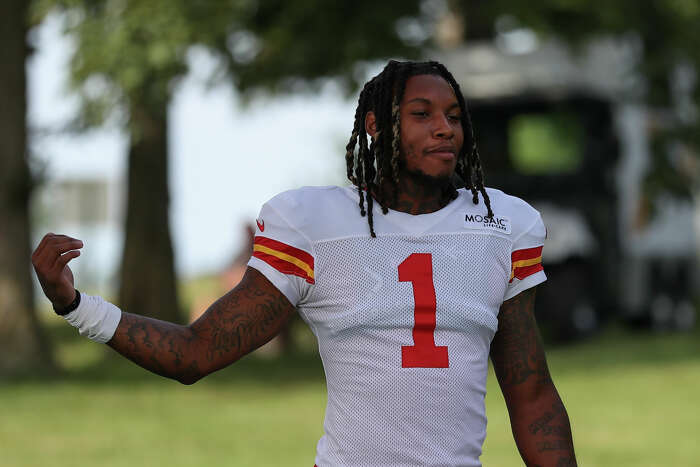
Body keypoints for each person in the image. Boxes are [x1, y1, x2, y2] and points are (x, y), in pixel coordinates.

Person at [32, 60, 577, 467]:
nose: (445, 129)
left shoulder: (502, 225)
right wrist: (77, 306)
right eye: (422, 114)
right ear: (375, 125)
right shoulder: (314, 224)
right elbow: (194, 354)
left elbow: (530, 394)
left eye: (454, 117)